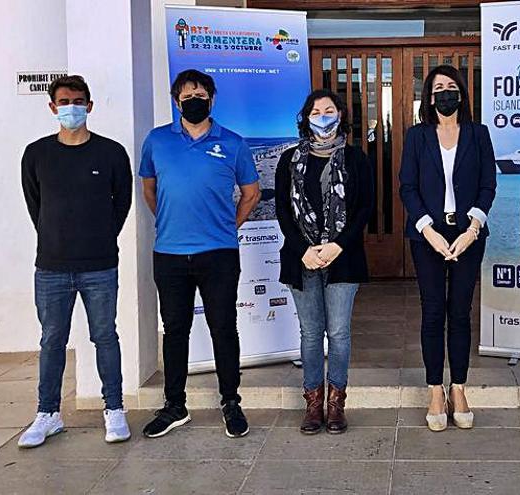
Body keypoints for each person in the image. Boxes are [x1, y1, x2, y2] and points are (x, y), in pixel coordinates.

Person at [139, 69, 261, 439]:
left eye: (201, 94)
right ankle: (175, 406)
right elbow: (149, 189)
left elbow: (251, 193)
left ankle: (231, 402)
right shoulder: (157, 141)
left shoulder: (234, 143)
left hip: (219, 254)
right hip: (170, 255)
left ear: (212, 99)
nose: (195, 99)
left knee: (223, 328)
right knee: (175, 330)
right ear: (176, 101)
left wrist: (227, 226)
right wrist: (172, 223)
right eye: (188, 94)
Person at [18, 75, 133, 448]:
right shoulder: (36, 153)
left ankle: (114, 409)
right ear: (52, 107)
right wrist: (57, 236)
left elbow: (122, 203)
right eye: (64, 101)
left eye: (78, 101)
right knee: (52, 340)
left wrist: (98, 236)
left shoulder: (111, 153)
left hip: (99, 265)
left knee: (105, 336)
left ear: (90, 106)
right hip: (51, 266)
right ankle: (47, 413)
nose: (71, 107)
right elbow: (37, 205)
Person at [399, 65, 497, 432]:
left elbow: (488, 183)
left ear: (461, 94)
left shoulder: (478, 133)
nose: (445, 93)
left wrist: (473, 228)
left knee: (459, 312)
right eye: (438, 87)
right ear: (429, 96)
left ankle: (459, 388)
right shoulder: (417, 136)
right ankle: (435, 390)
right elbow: (407, 186)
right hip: (428, 236)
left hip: (468, 235)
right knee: (432, 313)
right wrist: (428, 230)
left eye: (451, 87)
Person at [275, 89, 373, 435]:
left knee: (340, 333)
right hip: (301, 258)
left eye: (329, 110)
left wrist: (337, 246)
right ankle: (313, 406)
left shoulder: (356, 159)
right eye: (316, 111)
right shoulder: (288, 160)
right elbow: (283, 211)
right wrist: (303, 248)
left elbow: (364, 210)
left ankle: (336, 405)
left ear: (341, 115)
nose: (323, 116)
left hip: (342, 259)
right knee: (311, 333)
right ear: (306, 117)